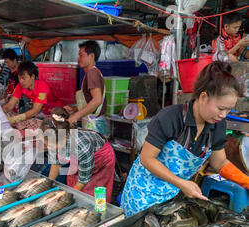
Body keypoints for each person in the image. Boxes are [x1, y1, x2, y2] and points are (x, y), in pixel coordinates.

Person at [121, 61, 249, 217]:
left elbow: (219, 162)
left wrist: (245, 181)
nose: (223, 115)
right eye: (221, 108)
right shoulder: (171, 118)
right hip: (142, 193)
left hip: (172, 197)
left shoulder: (217, 125)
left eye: (229, 109)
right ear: (203, 97)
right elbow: (147, 159)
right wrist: (181, 183)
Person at [42, 107, 115, 201]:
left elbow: (83, 180)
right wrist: (48, 186)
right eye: (47, 144)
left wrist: (68, 197)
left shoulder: (82, 146)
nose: (49, 148)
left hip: (101, 159)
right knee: (74, 185)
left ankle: (100, 213)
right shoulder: (53, 137)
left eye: (52, 145)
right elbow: (55, 164)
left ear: (65, 137)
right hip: (81, 160)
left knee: (96, 193)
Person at [65, 40, 106, 126]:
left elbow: (97, 100)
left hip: (94, 124)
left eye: (81, 55)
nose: (78, 59)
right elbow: (90, 100)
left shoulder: (92, 73)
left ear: (91, 56)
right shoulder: (91, 73)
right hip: (92, 122)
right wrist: (75, 109)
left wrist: (76, 116)